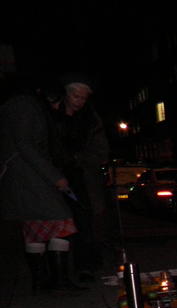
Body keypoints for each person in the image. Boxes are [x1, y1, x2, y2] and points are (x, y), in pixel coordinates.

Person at [0, 78, 82, 292]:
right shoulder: (25, 106)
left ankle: (42, 282)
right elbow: (26, 145)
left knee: (34, 228)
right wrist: (55, 177)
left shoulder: (18, 105)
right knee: (62, 222)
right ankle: (59, 281)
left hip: (23, 179)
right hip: (31, 177)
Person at [50, 74, 109, 278]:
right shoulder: (52, 115)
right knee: (60, 222)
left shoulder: (91, 119)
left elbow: (101, 151)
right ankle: (60, 270)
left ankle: (86, 265)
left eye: (83, 97)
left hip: (83, 178)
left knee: (85, 220)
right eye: (76, 96)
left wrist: (79, 159)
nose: (79, 101)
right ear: (67, 94)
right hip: (57, 177)